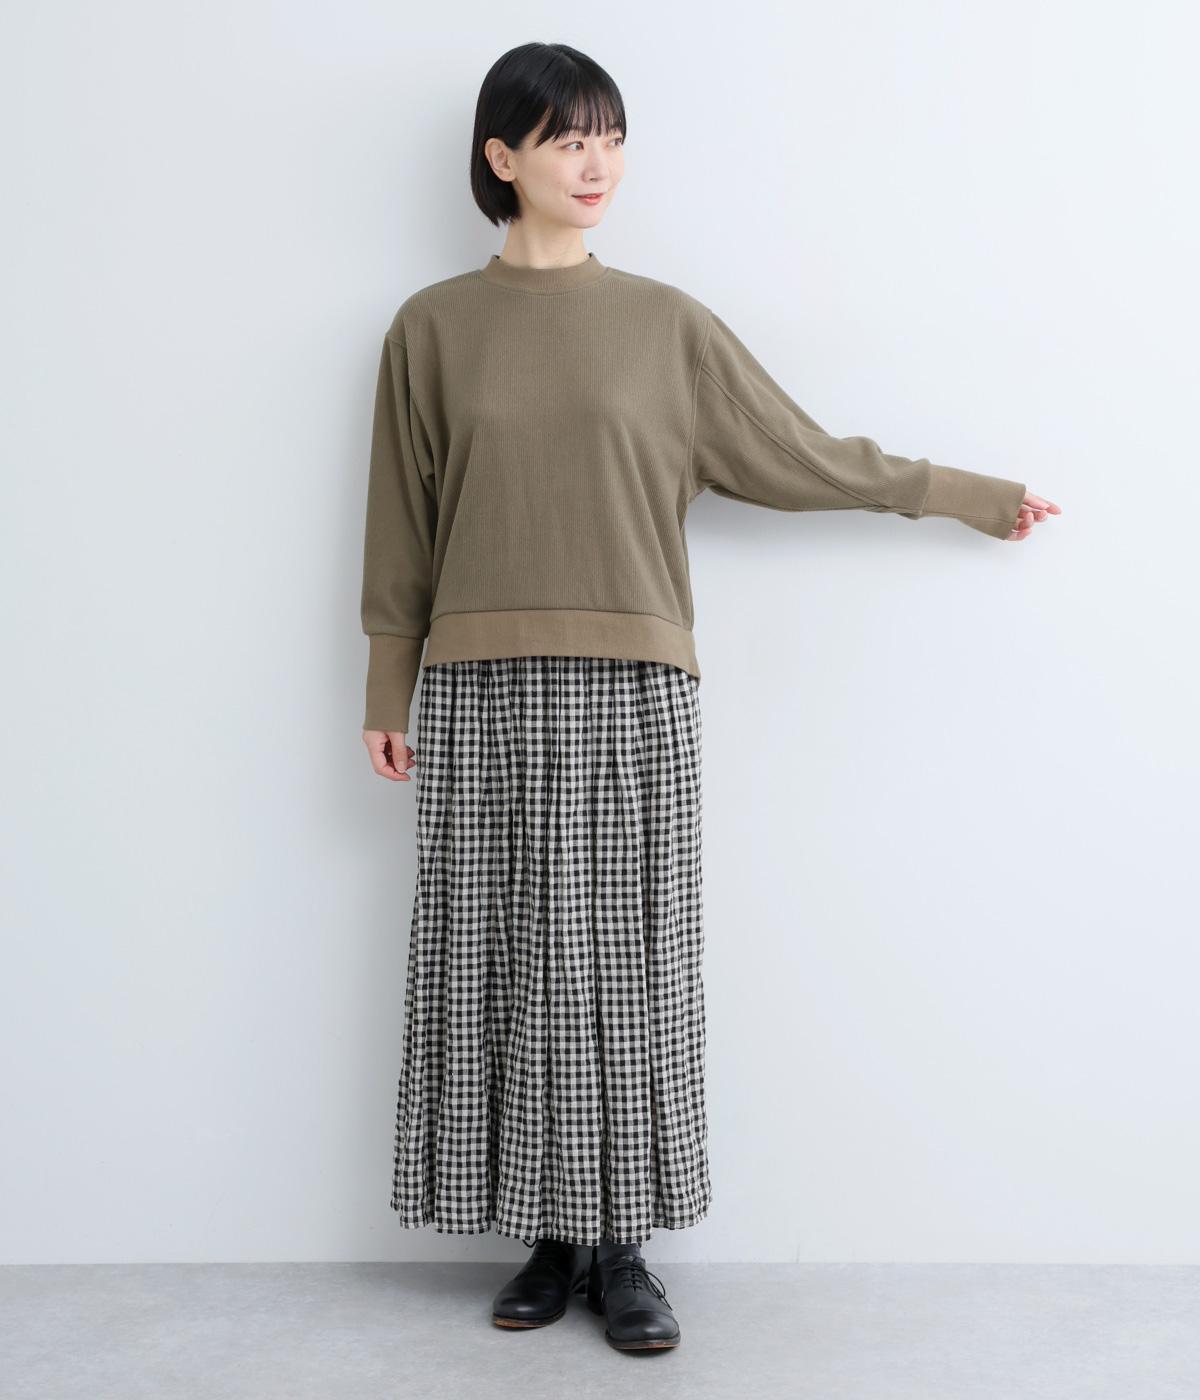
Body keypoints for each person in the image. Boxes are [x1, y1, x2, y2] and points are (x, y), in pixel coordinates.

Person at [359, 42, 1060, 1354]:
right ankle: (547, 1235)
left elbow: (800, 454)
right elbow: (403, 521)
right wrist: (387, 682)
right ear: (501, 157)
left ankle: (623, 1244)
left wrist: (963, 495)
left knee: (631, 968)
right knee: (503, 961)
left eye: (611, 136)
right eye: (567, 138)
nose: (597, 163)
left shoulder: (666, 326)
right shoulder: (431, 329)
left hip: (635, 687)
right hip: (478, 688)